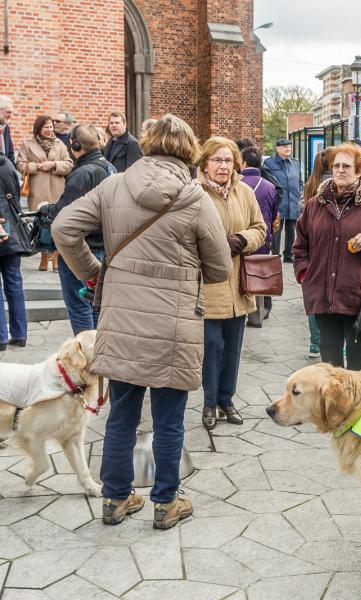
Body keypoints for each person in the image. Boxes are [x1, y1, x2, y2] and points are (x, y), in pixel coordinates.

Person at [52, 114, 232, 529]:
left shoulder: (113, 185)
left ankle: (115, 499)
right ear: (190, 150)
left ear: (147, 144)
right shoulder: (195, 197)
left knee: (122, 413)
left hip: (121, 315)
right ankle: (166, 502)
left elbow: (64, 227)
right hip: (174, 322)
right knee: (169, 418)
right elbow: (220, 268)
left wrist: (93, 271)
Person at [293, 143, 361, 370]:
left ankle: (357, 404)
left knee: (358, 356)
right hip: (322, 291)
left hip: (358, 293)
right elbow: (300, 245)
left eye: (347, 166)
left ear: (359, 171)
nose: (340, 170)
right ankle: (333, 404)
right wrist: (304, 274)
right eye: (336, 165)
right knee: (329, 356)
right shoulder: (315, 204)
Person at [197, 136, 266, 431]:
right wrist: (213, 245)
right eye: (217, 160)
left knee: (233, 348)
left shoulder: (245, 192)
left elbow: (260, 228)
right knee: (212, 346)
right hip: (208, 284)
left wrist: (242, 240)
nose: (223, 166)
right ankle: (209, 402)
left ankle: (227, 400)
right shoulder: (194, 193)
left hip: (239, 283)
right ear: (205, 163)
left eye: (228, 161)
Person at [37, 125, 113, 334]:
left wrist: (45, 209)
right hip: (103, 247)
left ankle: (86, 355)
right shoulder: (109, 168)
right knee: (97, 304)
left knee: (79, 305)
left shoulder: (82, 173)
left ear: (75, 145)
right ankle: (98, 352)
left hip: (79, 249)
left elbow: (64, 214)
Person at [17, 115, 74, 271]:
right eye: (46, 127)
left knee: (57, 222)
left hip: (57, 189)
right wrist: (37, 167)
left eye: (51, 127)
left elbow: (69, 164)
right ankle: (43, 256)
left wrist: (53, 164)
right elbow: (20, 165)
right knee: (41, 223)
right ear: (38, 129)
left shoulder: (60, 144)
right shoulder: (27, 144)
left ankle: (56, 257)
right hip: (38, 190)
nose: (49, 130)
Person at [298, 148, 335, 359]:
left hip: (313, 247)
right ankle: (337, 342)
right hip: (335, 249)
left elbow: (302, 212)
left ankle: (315, 344)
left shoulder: (311, 184)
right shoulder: (339, 184)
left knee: (314, 297)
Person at [239, 144, 279, 328]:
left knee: (239, 274)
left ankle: (240, 311)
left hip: (240, 238)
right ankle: (257, 317)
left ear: (243, 162)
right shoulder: (270, 186)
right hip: (262, 237)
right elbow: (273, 213)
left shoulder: (236, 183)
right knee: (259, 277)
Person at [0, 152, 26, 351]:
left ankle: (1, 336)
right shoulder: (7, 164)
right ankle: (19, 333)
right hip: (11, 230)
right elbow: (14, 194)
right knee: (14, 283)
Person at [264, 139, 302, 263]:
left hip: (293, 201)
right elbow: (267, 181)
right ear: (278, 148)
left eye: (289, 147)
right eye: (285, 147)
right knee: (276, 229)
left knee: (291, 230)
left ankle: (288, 255)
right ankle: (275, 254)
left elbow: (300, 182)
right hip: (278, 201)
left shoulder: (296, 163)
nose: (288, 149)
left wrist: (300, 193)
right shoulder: (270, 163)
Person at [0, 96, 14, 162]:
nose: (11, 115)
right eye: (8, 112)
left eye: (12, 112)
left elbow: (10, 154)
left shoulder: (6, 128)